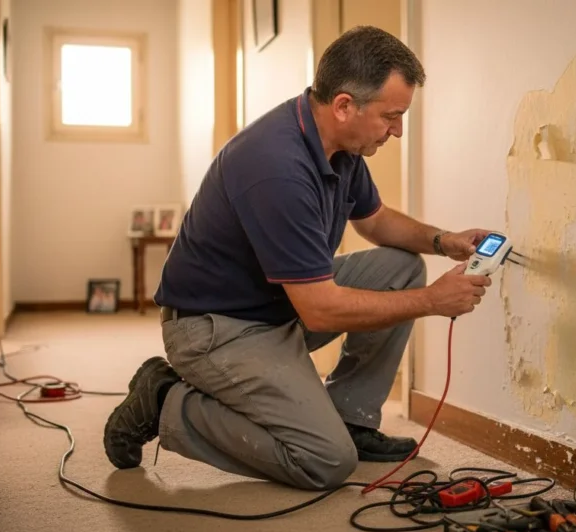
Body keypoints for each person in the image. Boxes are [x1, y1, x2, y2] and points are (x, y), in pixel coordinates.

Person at [102, 26, 494, 490]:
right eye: (391, 116)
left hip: (276, 306)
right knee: (324, 460)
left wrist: (443, 239)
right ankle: (164, 398)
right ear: (345, 105)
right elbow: (320, 307)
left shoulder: (342, 146)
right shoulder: (276, 168)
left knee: (402, 266)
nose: (398, 130)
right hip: (216, 329)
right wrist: (432, 300)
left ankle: (351, 418)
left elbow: (376, 221)